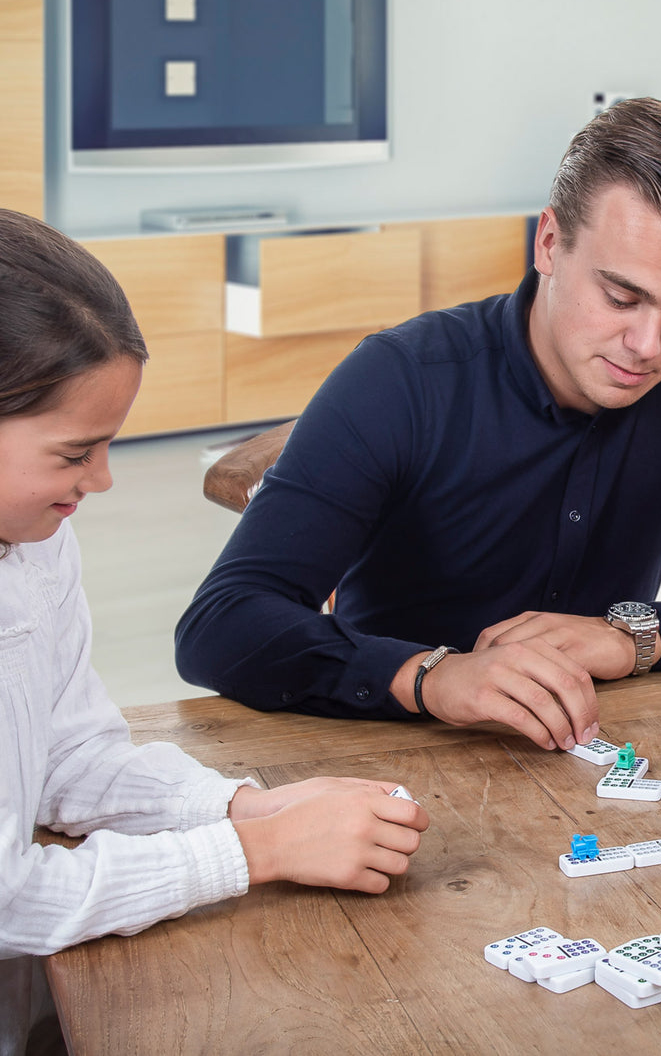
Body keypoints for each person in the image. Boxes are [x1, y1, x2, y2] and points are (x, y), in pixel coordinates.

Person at [176, 98, 661, 748]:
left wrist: (638, 637)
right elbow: (222, 624)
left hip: (600, 741)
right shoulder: (401, 379)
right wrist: (431, 676)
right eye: (620, 296)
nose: (649, 346)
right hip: (394, 744)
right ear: (549, 243)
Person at [0, 211, 430, 1056]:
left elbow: (69, 756)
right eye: (74, 452)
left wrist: (242, 804)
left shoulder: (36, 542)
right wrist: (252, 850)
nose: (104, 479)